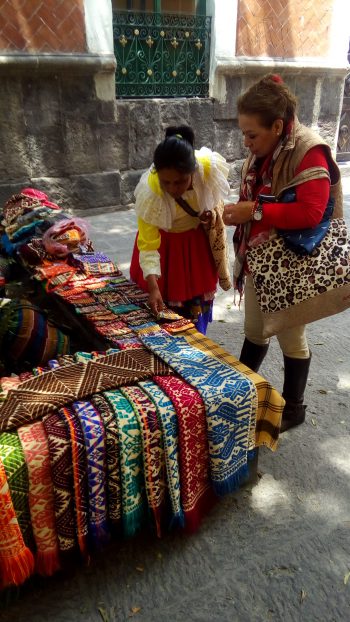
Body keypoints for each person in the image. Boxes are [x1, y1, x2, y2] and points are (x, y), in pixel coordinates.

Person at [223, 73, 343, 432]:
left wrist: (254, 211)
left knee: (291, 335)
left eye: (251, 134)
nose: (246, 143)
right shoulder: (270, 149)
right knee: (256, 329)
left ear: (277, 125)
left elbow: (310, 211)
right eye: (243, 133)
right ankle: (240, 393)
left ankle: (294, 409)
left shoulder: (309, 150)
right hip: (263, 260)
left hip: (293, 260)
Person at [130, 125, 232, 334]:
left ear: (193, 172)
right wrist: (153, 287)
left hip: (196, 249)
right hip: (164, 250)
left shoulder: (207, 170)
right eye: (166, 182)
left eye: (180, 181)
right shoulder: (150, 193)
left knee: (195, 315)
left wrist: (207, 215)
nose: (173, 189)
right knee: (164, 320)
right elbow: (148, 245)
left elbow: (216, 202)